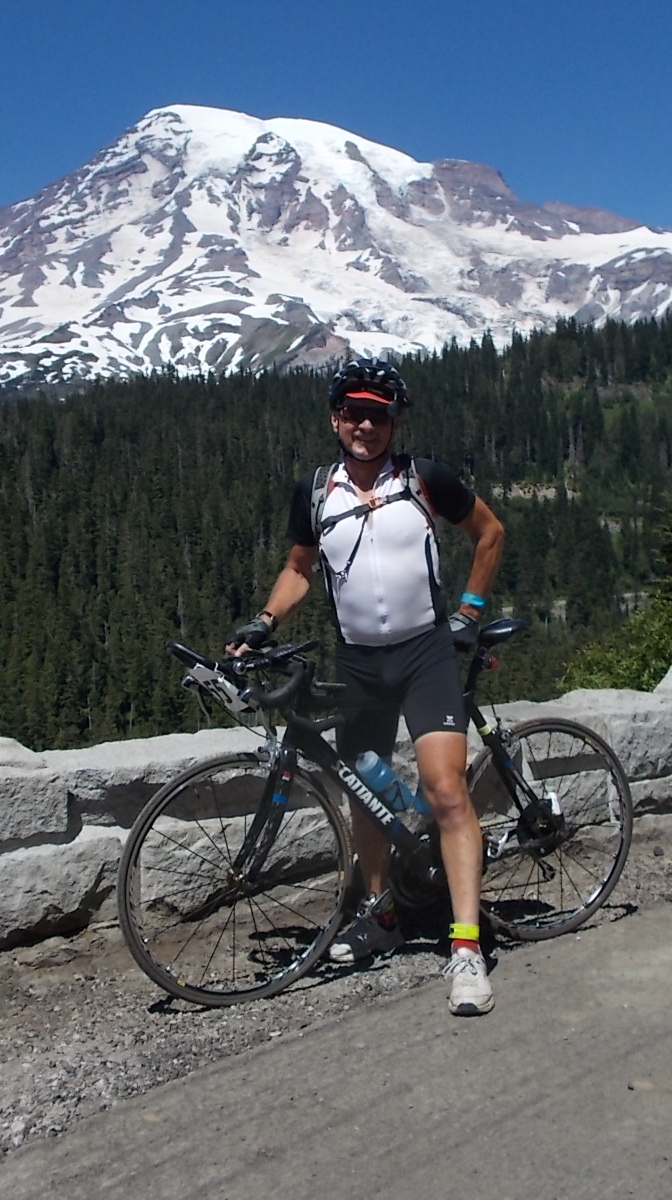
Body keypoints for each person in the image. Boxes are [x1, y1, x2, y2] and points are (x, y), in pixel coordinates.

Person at [226, 358, 506, 1016]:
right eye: (352, 412)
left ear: (394, 421)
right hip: (359, 662)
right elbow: (300, 567)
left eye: (378, 414)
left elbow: (490, 533)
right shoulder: (316, 489)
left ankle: (466, 948)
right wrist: (265, 621)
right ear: (334, 418)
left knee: (445, 790)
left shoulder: (424, 479)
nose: (364, 424)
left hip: (425, 653)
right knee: (366, 795)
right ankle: (380, 917)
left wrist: (467, 612)